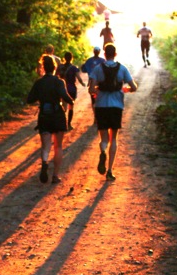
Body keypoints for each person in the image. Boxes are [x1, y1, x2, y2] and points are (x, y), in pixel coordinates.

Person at [88, 42, 137, 182]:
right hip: (116, 106)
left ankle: (102, 150)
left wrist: (98, 90)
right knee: (113, 138)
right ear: (115, 54)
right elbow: (133, 87)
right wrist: (124, 89)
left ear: (104, 54)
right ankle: (110, 171)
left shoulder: (97, 69)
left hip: (101, 106)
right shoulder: (122, 69)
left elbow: (91, 90)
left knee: (103, 137)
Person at [27, 55, 73, 184]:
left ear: (43, 68)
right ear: (54, 68)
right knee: (58, 147)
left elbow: (29, 99)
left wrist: (40, 97)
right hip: (57, 115)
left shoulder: (39, 83)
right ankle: (55, 176)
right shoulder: (59, 82)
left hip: (44, 115)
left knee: (45, 145)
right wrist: (71, 101)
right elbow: (65, 96)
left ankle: (44, 162)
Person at [57, 51, 85, 130]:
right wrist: (82, 83)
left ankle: (61, 123)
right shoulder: (74, 68)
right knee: (71, 107)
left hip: (60, 88)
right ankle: (68, 124)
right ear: (71, 58)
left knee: (62, 106)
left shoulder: (60, 67)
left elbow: (55, 76)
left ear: (64, 58)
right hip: (71, 88)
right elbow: (78, 78)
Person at [81, 46, 106, 122]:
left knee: (94, 101)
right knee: (99, 100)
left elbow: (83, 69)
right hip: (100, 83)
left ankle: (96, 117)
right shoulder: (102, 61)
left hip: (93, 82)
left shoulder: (89, 61)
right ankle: (98, 116)